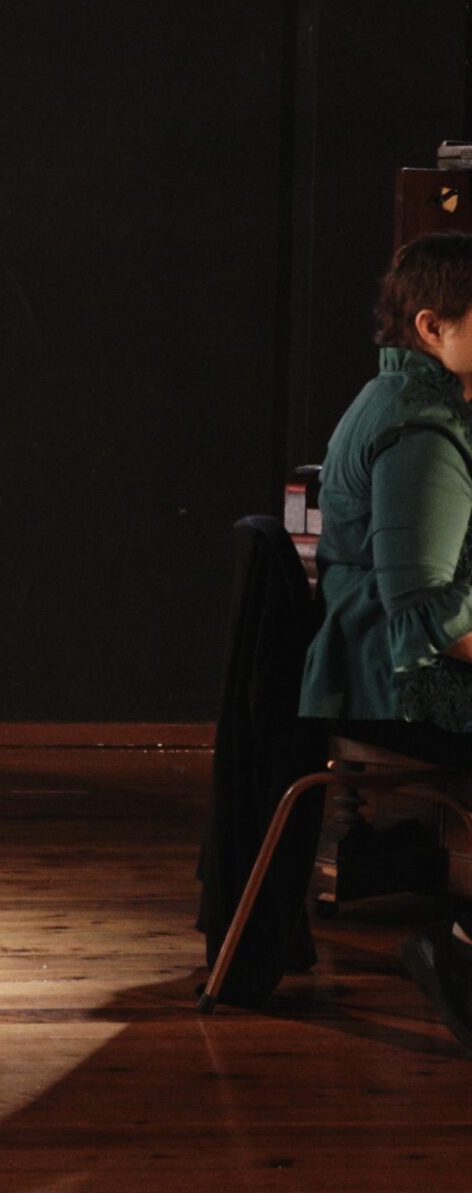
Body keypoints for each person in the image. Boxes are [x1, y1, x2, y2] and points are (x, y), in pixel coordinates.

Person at [299, 231, 472, 1048]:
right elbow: (427, 618)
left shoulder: (410, 398)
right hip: (394, 686)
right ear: (433, 327)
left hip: (374, 669)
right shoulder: (422, 427)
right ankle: (462, 955)